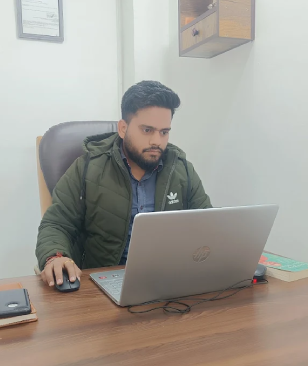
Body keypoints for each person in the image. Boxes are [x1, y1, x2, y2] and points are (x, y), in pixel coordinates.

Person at [36, 81, 212, 287]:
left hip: (167, 280)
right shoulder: (88, 167)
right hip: (101, 283)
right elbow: (56, 224)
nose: (157, 141)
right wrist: (55, 257)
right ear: (123, 128)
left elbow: (207, 225)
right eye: (147, 130)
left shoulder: (180, 169)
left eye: (164, 132)